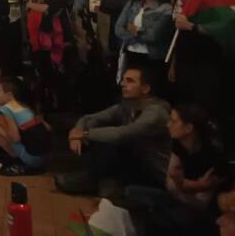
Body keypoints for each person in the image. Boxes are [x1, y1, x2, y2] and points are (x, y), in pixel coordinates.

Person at [56, 66, 171, 199]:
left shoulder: (156, 112)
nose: (123, 84)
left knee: (111, 140)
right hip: (136, 164)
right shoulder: (128, 105)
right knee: (101, 137)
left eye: (130, 81)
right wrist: (77, 133)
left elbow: (122, 133)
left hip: (154, 174)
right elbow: (90, 118)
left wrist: (84, 134)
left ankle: (97, 181)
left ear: (145, 88)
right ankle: (98, 181)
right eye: (123, 80)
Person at [125, 104, 232, 236]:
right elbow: (170, 184)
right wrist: (191, 185)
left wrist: (181, 183)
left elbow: (200, 204)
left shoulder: (212, 158)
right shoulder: (178, 144)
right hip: (177, 199)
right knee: (131, 192)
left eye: (174, 121)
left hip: (203, 214)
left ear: (188, 128)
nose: (168, 124)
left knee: (158, 218)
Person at [0, 78, 49, 175]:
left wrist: (2, 126)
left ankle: (19, 161)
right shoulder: (24, 106)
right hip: (45, 157)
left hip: (32, 159)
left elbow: (15, 138)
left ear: (9, 95)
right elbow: (47, 128)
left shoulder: (6, 109)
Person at [115, 0, 174, 83]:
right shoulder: (132, 4)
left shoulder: (165, 8)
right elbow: (118, 29)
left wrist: (134, 30)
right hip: (130, 53)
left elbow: (153, 36)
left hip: (152, 57)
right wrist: (140, 32)